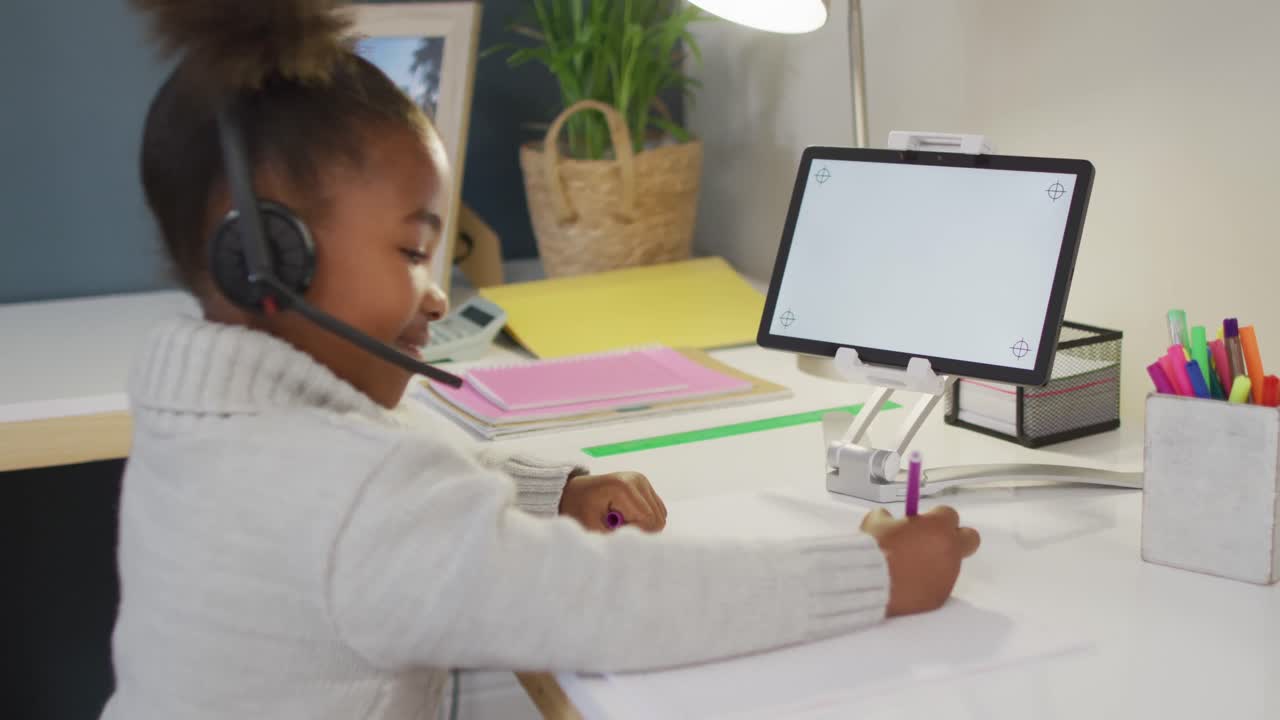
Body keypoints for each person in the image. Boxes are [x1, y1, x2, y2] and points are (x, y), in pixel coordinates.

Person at [102, 2, 981, 718]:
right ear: (272, 262)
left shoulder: (215, 424)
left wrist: (541, 491)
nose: (437, 296)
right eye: (413, 253)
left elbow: (392, 479)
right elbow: (605, 605)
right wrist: (876, 577)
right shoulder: (346, 493)